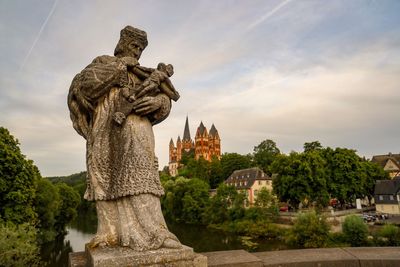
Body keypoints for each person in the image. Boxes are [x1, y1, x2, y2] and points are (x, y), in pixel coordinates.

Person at [67, 26, 182, 251]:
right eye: (134, 46)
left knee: (142, 179)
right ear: (122, 44)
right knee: (105, 177)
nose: (137, 51)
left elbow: (166, 97)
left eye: (141, 48)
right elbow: (83, 89)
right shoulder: (102, 63)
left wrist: (159, 103)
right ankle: (109, 234)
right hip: (105, 132)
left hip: (138, 132)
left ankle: (156, 232)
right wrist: (121, 66)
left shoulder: (143, 73)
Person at [113, 62, 179, 125]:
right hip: (148, 81)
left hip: (153, 85)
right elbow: (145, 70)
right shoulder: (155, 71)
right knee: (142, 88)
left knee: (144, 90)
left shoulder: (164, 77)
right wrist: (132, 66)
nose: (136, 53)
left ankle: (125, 110)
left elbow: (170, 87)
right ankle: (133, 97)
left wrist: (160, 100)